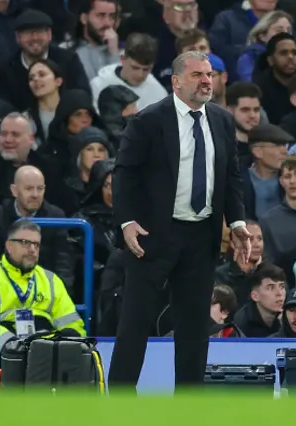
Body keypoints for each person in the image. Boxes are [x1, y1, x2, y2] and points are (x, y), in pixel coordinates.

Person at [109, 51, 251, 390]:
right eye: (197, 75)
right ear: (175, 82)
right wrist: (127, 222)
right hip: (153, 235)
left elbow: (230, 178)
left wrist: (237, 223)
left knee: (193, 329)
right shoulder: (148, 120)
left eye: (210, 74)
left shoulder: (222, 120)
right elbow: (123, 174)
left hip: (201, 237)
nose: (206, 80)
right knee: (135, 324)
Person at [0, 219, 85, 350]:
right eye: (25, 243)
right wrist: (10, 344)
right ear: (9, 246)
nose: (32, 250)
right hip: (4, 353)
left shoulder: (51, 280)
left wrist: (63, 343)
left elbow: (72, 323)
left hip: (45, 351)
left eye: (37, 245)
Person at [233, 264, 286, 337]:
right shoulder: (242, 322)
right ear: (255, 296)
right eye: (270, 288)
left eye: (282, 287)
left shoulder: (290, 315)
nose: (279, 293)